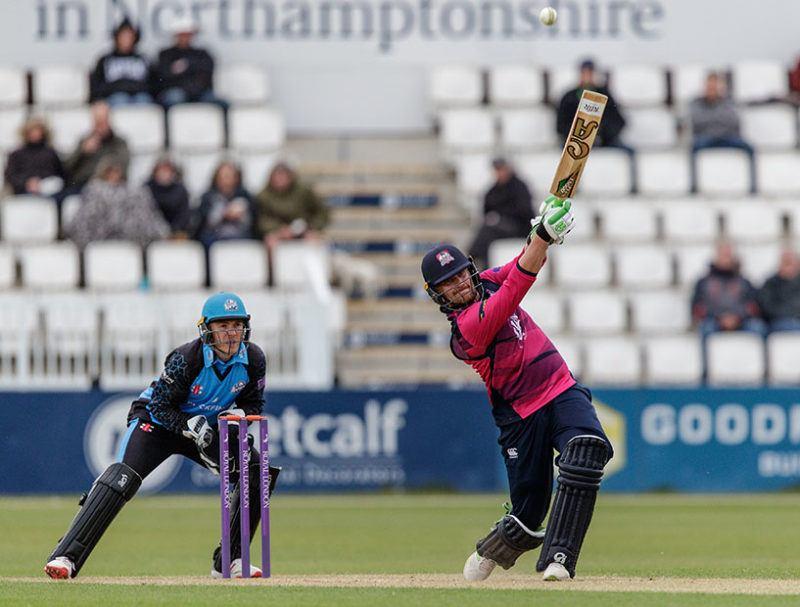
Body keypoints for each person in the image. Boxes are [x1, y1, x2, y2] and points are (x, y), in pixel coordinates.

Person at [420, 196, 612, 583]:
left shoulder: (488, 280)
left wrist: (542, 234)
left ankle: (559, 559)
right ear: (437, 293)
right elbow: (517, 288)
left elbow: (525, 262)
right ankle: (492, 549)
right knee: (528, 514)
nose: (459, 284)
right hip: (520, 415)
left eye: (460, 274)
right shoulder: (467, 330)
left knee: (587, 450)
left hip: (559, 386)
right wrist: (541, 236)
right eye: (448, 283)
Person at [44, 292, 279, 580]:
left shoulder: (253, 358)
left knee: (256, 471)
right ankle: (66, 556)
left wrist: (240, 416)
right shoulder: (186, 358)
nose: (231, 333)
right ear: (208, 329)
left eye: (236, 325)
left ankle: (230, 560)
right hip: (157, 424)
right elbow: (159, 405)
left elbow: (254, 403)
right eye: (223, 326)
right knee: (121, 479)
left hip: (204, 430)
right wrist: (187, 425)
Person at [64, 157, 169, 249]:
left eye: (117, 172)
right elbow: (84, 217)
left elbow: (147, 216)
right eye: (110, 171)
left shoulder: (135, 192)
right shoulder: (93, 190)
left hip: (130, 238)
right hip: (98, 237)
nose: (114, 175)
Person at [689, 72, 756, 194]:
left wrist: (712, 121)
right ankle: (694, 185)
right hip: (706, 138)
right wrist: (717, 121)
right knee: (693, 148)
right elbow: (697, 121)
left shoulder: (728, 102)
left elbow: (733, 121)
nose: (712, 89)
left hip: (727, 137)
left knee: (749, 148)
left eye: (715, 86)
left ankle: (753, 187)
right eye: (710, 86)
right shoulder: (696, 103)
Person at [467, 157, 534, 269]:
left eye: (501, 169)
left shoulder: (519, 187)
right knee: (487, 233)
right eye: (497, 170)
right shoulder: (494, 189)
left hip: (520, 227)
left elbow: (524, 211)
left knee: (487, 231)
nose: (499, 173)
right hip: (501, 227)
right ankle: (476, 259)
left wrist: (500, 216)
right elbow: (486, 208)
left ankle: (474, 258)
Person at [691, 241, 767, 340]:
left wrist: (737, 317)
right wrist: (720, 318)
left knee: (758, 327)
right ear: (716, 257)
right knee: (705, 328)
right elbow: (698, 308)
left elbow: (753, 307)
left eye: (728, 255)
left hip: (741, 321)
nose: (725, 258)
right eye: (723, 255)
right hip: (714, 321)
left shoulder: (744, 282)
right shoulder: (703, 282)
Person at [153, 16, 227, 109]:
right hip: (177, 91)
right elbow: (164, 76)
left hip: (199, 92)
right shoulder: (166, 54)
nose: (185, 37)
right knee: (174, 97)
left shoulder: (202, 54)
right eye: (182, 34)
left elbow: (206, 74)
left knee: (221, 103)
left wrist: (186, 66)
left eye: (188, 34)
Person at [255, 162, 329, 252]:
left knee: (314, 240)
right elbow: (261, 218)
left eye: (283, 176)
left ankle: (312, 265)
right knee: (270, 241)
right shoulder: (263, 196)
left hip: (304, 229)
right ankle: (273, 266)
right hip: (278, 232)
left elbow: (321, 212)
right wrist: (279, 230)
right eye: (277, 176)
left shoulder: (304, 192)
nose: (280, 180)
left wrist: (312, 228)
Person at [63, 101, 130, 193]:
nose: (100, 126)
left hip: (109, 185)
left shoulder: (119, 143)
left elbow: (123, 165)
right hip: (82, 186)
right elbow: (68, 167)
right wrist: (82, 152)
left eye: (103, 121)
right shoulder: (84, 141)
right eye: (97, 121)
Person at [90, 18, 153, 106]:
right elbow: (97, 85)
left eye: (129, 36)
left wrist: (130, 86)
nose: (126, 40)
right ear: (116, 38)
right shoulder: (106, 60)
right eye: (123, 36)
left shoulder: (143, 59)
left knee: (143, 99)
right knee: (120, 98)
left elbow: (152, 84)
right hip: (115, 97)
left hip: (140, 96)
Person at [194, 161, 256, 248]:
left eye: (229, 176)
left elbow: (252, 222)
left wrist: (241, 214)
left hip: (240, 236)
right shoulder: (207, 197)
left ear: (236, 178)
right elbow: (203, 222)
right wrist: (223, 214)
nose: (226, 180)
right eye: (223, 176)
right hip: (215, 237)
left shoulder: (245, 196)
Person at [3, 116, 64, 196]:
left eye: (37, 131)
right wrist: (27, 183)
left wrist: (39, 181)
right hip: (23, 191)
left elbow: (58, 172)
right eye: (32, 131)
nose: (35, 134)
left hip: (48, 190)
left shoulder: (50, 153)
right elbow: (10, 175)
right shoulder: (16, 154)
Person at [145, 156, 192, 237]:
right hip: (151, 232)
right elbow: (145, 215)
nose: (164, 173)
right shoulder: (146, 190)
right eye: (161, 170)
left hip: (175, 232)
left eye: (167, 170)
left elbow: (183, 216)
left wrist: (173, 231)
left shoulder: (181, 190)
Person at [758, 248, 800, 332]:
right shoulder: (770, 283)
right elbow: (767, 307)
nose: (788, 266)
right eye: (785, 262)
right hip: (778, 322)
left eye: (790, 262)